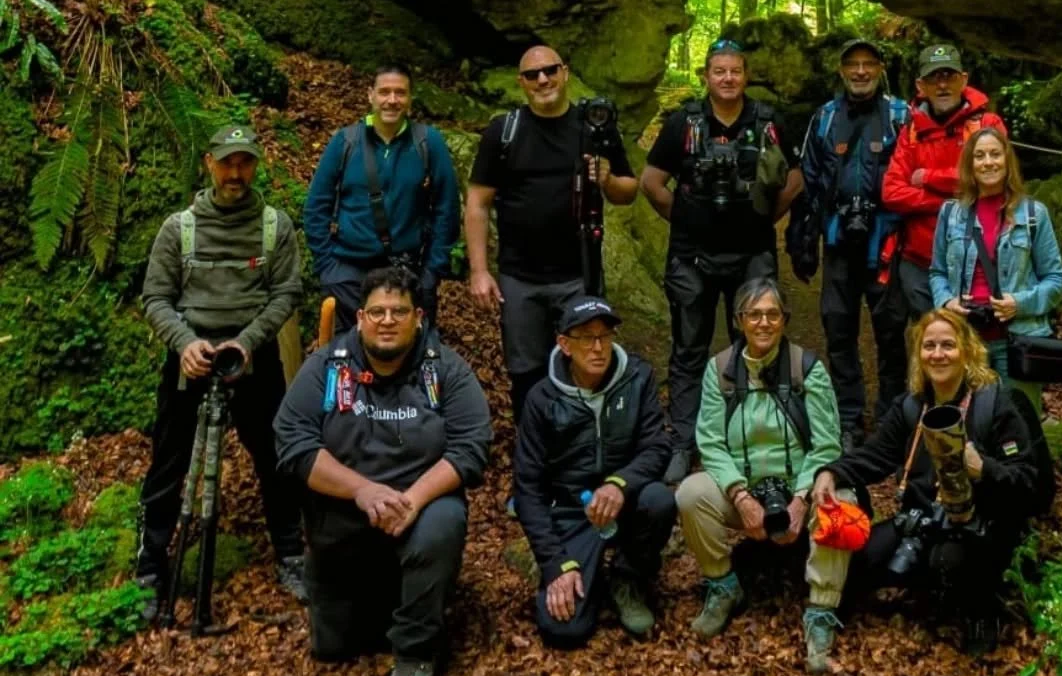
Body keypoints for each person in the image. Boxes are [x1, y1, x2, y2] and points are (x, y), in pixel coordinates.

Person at [273, 266, 492, 676]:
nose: (387, 320)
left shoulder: (444, 370)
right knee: (334, 648)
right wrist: (362, 491)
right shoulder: (327, 367)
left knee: (442, 521)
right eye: (377, 312)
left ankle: (415, 651)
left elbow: (472, 447)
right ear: (359, 318)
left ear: (418, 318)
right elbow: (292, 441)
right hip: (344, 512)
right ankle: (378, 606)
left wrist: (412, 499)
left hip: (419, 508)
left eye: (398, 311)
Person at [136, 124, 307, 617]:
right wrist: (185, 344)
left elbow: (285, 294)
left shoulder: (275, 227)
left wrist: (249, 341)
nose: (236, 173)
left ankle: (292, 553)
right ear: (208, 163)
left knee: (276, 455)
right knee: (169, 461)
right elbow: (155, 297)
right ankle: (150, 564)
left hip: (252, 358)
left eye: (245, 162)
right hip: (190, 360)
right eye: (227, 162)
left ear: (255, 166)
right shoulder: (179, 228)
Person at [815, 305, 1049, 633]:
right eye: (929, 346)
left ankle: (978, 617)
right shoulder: (912, 406)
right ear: (919, 354)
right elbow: (874, 456)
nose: (938, 355)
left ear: (967, 351)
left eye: (948, 345)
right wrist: (831, 472)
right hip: (922, 518)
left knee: (948, 565)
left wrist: (983, 469)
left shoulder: (994, 404)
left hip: (981, 523)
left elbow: (1029, 481)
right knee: (864, 559)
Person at [641, 39, 801, 483]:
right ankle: (682, 441)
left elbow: (795, 179)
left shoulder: (767, 121)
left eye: (735, 71)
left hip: (751, 253)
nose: (728, 78)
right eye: (719, 71)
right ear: (706, 76)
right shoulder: (684, 123)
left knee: (756, 346)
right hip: (693, 255)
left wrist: (765, 217)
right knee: (690, 349)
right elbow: (652, 182)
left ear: (745, 75)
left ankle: (750, 436)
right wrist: (687, 219)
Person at [675, 279, 852, 675]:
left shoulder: (807, 368)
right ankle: (722, 585)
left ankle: (822, 611)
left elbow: (827, 445)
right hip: (743, 490)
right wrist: (741, 496)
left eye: (773, 314)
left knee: (844, 503)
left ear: (784, 320)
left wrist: (801, 498)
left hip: (798, 488)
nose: (764, 323)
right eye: (754, 314)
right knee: (690, 493)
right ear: (739, 321)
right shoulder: (719, 371)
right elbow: (711, 443)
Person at [465, 44, 638, 422]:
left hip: (579, 275)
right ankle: (533, 445)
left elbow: (629, 191)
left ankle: (580, 441)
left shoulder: (594, 126)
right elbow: (477, 202)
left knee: (585, 363)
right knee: (525, 369)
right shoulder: (504, 132)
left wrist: (607, 180)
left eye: (550, 71)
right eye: (532, 74)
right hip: (519, 277)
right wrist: (479, 270)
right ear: (521, 83)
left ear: (564, 72)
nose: (542, 79)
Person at [512, 294, 675, 648]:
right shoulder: (542, 399)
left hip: (625, 502)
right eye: (587, 337)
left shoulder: (637, 378)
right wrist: (555, 565)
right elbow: (528, 489)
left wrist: (620, 483)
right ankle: (586, 573)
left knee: (659, 499)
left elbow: (657, 447)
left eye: (605, 335)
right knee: (563, 630)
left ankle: (627, 579)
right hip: (572, 510)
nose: (598, 347)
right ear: (565, 345)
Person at [794, 37, 910, 450]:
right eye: (852, 65)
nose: (860, 72)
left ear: (880, 69)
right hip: (839, 241)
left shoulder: (900, 115)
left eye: (869, 64)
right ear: (841, 71)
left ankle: (892, 420)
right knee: (839, 330)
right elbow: (807, 182)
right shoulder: (825, 118)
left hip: (886, 242)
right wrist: (803, 242)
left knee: (891, 333)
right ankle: (848, 419)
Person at [303, 63, 460, 328]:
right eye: (384, 92)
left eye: (400, 93)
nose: (392, 100)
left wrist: (432, 271)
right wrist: (328, 267)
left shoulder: (427, 143)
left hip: (407, 272)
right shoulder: (346, 142)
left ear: (410, 98)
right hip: (349, 273)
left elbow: (447, 208)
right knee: (348, 356)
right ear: (370, 95)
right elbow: (316, 206)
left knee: (409, 356)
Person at [930, 127, 1062, 414]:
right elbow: (937, 272)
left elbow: (1056, 279)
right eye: (979, 156)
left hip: (1017, 339)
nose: (988, 162)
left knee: (1021, 424)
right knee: (968, 424)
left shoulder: (1033, 214)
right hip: (966, 342)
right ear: (970, 164)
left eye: (995, 154)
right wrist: (947, 302)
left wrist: (1020, 303)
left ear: (1007, 161)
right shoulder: (951, 214)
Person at [881, 43, 1005, 325]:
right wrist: (949, 203)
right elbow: (892, 192)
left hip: (979, 263)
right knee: (932, 344)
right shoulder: (912, 131)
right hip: (920, 262)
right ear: (920, 86)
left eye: (949, 76)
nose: (943, 85)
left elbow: (991, 179)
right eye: (934, 78)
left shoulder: (987, 124)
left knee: (976, 349)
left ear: (964, 79)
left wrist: (927, 178)